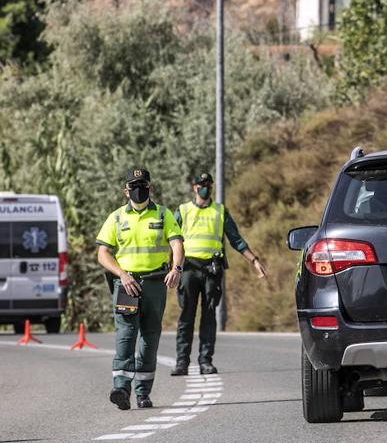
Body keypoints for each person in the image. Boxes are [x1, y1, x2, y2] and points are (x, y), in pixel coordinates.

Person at [96, 167, 184, 410]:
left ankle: (143, 393)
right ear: (126, 190)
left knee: (149, 339)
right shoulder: (116, 218)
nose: (138, 190)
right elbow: (103, 254)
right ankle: (121, 388)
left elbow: (176, 243)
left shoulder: (164, 215)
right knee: (125, 336)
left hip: (156, 284)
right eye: (133, 186)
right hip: (127, 285)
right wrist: (122, 274)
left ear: (150, 187)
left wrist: (177, 269)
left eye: (143, 185)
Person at [171, 173, 267, 376]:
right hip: (188, 269)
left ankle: (205, 361)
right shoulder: (182, 211)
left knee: (209, 317)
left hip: (211, 270)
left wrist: (254, 261)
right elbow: (170, 240)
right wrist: (170, 269)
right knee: (186, 316)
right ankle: (182, 362)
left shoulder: (220, 211)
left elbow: (236, 240)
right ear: (194, 187)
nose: (205, 187)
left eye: (208, 184)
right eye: (201, 184)